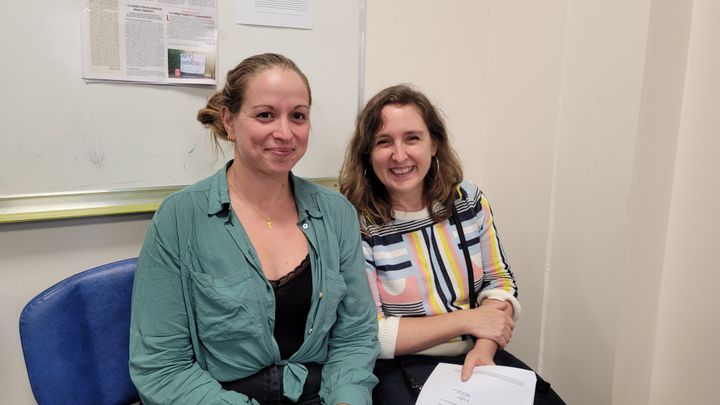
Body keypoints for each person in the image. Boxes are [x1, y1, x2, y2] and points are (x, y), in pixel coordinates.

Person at [129, 53, 379, 405]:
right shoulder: (180, 217)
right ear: (229, 122)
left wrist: (347, 400)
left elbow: (355, 338)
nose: (285, 132)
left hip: (321, 394)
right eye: (265, 115)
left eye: (298, 116)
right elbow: (161, 368)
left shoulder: (336, 212)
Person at [339, 84, 564, 404]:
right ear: (367, 155)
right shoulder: (354, 222)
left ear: (434, 144)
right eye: (384, 142)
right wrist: (467, 320)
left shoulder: (467, 200)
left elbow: (499, 283)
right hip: (398, 368)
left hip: (478, 354)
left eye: (412, 138)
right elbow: (370, 335)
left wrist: (484, 349)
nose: (399, 155)